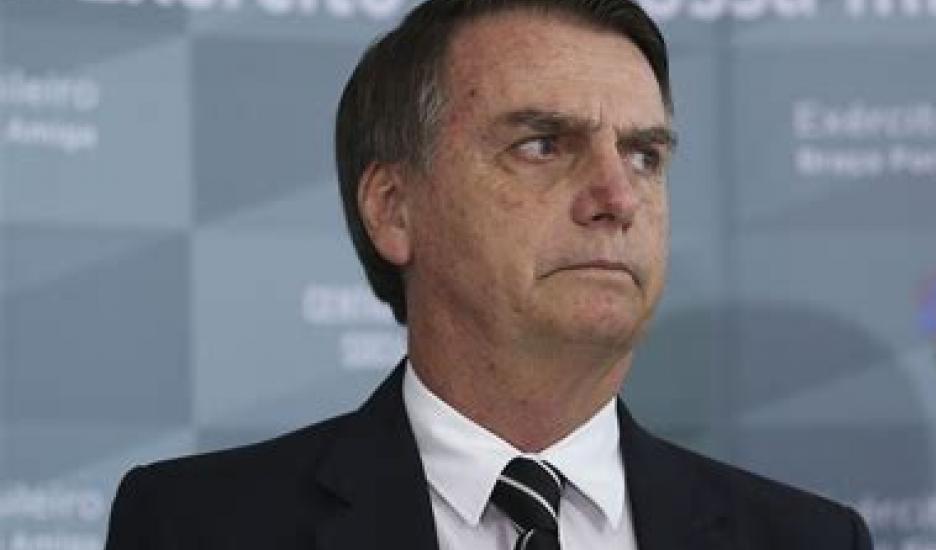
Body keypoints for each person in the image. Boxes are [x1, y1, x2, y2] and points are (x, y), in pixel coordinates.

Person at [104, 0, 873, 547]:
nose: (617, 198)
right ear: (394, 209)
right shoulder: (196, 527)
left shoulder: (808, 540)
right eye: (543, 145)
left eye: (644, 155)